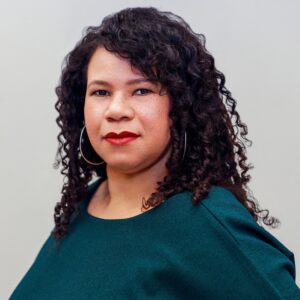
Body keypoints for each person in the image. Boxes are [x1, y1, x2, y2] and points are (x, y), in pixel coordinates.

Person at [9, 6, 300, 300]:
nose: (116, 110)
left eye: (142, 90)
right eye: (101, 92)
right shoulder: (82, 208)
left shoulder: (205, 223)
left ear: (182, 105)